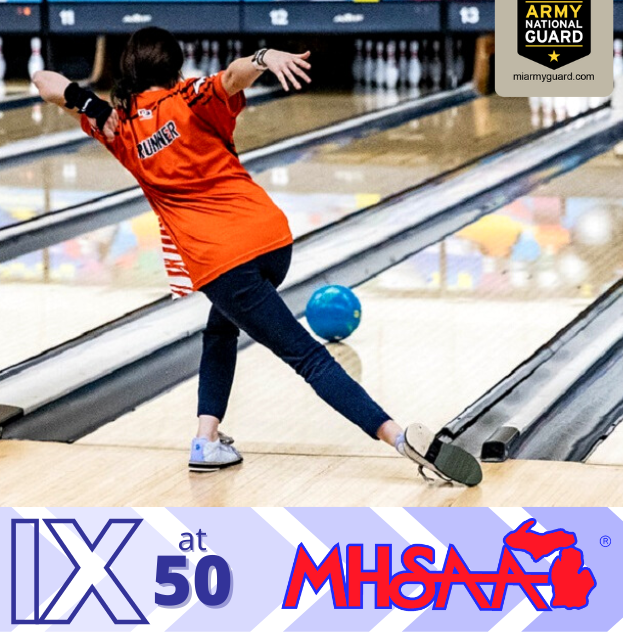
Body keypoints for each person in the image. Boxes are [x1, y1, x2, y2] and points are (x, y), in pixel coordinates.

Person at [32, 27, 482, 486]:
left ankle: (400, 437)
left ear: (128, 69)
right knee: (220, 330)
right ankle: (207, 438)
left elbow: (43, 78)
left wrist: (86, 102)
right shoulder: (190, 96)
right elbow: (232, 77)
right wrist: (264, 57)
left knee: (310, 360)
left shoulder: (118, 128)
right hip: (271, 241)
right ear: (175, 67)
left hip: (222, 263)